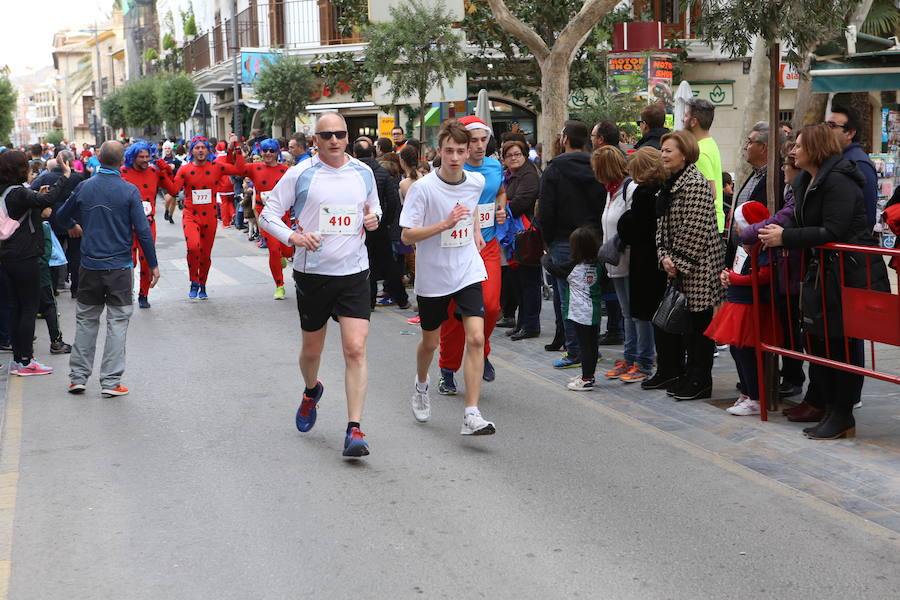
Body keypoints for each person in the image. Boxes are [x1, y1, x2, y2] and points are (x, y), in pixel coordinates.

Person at [259, 112, 382, 458]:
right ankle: (311, 390)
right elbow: (268, 215)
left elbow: (375, 210)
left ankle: (354, 428)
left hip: (355, 273)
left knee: (355, 349)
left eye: (340, 134)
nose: (334, 140)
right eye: (326, 135)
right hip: (313, 275)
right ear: (315, 140)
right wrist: (294, 236)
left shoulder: (363, 172)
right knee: (312, 351)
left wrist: (374, 219)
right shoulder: (300, 174)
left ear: (348, 136)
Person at [758, 124, 888, 440]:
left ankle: (841, 413)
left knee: (841, 344)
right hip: (822, 273)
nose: (792, 151)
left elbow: (834, 230)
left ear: (815, 148)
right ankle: (829, 407)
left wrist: (785, 237)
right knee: (822, 343)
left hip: (848, 273)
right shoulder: (808, 180)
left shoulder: (839, 179)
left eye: (799, 146)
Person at [399, 118, 495, 435]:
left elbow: (471, 210)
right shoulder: (422, 189)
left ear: (469, 153)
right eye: (449, 151)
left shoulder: (476, 182)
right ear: (439, 151)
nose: (454, 157)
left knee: (477, 338)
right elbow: (407, 236)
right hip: (434, 274)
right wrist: (444, 224)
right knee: (430, 343)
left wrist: (477, 232)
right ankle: (422, 385)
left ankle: (471, 413)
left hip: (466, 266)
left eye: (460, 151)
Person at [54, 141, 159, 396]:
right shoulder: (129, 191)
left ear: (99, 158)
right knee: (118, 322)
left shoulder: (84, 187)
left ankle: (78, 378)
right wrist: (153, 264)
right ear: (122, 160)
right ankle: (111, 382)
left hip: (90, 266)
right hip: (120, 267)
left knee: (87, 321)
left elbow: (60, 216)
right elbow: (143, 231)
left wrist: (72, 225)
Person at [436, 115, 507, 394]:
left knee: (490, 307)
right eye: (473, 141)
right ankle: (447, 369)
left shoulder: (493, 166)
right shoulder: (452, 168)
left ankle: (481, 349)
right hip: (456, 246)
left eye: (483, 140)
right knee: (454, 315)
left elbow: (499, 192)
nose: (479, 146)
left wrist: (500, 207)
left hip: (487, 245)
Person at [656, 130, 726, 401]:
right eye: (662, 150)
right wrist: (663, 255)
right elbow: (661, 224)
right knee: (687, 327)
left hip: (699, 267)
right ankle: (688, 375)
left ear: (684, 154)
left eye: (669, 150)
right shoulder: (671, 182)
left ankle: (700, 380)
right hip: (678, 265)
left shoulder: (695, 183)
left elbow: (694, 228)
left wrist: (676, 261)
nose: (663, 154)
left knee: (700, 328)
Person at [741, 141, 807, 406]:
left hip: (793, 270)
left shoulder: (798, 191)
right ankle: (787, 377)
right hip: (786, 269)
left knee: (792, 327)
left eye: (785, 164)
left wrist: (747, 232)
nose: (781, 168)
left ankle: (794, 378)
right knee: (785, 324)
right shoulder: (792, 189)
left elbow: (781, 219)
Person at [0, 150, 75, 375]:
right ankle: (26, 361)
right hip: (24, 257)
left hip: (7, 257)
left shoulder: (7, 191)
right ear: (19, 169)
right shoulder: (19, 192)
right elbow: (48, 200)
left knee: (15, 308)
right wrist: (66, 175)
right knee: (29, 308)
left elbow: (32, 202)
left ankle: (18, 360)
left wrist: (36, 194)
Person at [537, 120, 605, 368]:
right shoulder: (595, 165)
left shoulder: (554, 168)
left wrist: (547, 238)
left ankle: (575, 351)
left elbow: (546, 208)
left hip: (563, 239)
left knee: (568, 298)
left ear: (565, 139)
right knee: (590, 296)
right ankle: (590, 348)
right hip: (593, 237)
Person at [706, 201, 780, 416]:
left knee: (747, 353)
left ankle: (756, 396)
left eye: (739, 224)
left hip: (751, 305)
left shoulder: (763, 247)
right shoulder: (744, 247)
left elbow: (764, 275)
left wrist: (735, 279)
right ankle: (747, 392)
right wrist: (728, 275)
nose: (736, 229)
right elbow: (740, 270)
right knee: (738, 351)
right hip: (739, 304)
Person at [593, 146, 652, 382]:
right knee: (627, 313)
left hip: (630, 260)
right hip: (615, 262)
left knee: (638, 314)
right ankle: (630, 358)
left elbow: (632, 225)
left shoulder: (629, 189)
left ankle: (643, 361)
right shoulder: (610, 191)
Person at [616, 147, 671, 389]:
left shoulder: (644, 194)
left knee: (642, 311)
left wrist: (624, 222)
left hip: (644, 259)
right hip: (656, 258)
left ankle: (643, 361)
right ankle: (643, 359)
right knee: (648, 311)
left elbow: (634, 228)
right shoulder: (663, 189)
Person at [168, 134, 245, 299]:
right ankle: (193, 281)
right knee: (193, 247)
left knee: (205, 253)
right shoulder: (184, 169)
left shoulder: (216, 166)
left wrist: (236, 147)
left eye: (203, 147)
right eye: (197, 147)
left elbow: (239, 169)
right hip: (190, 215)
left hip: (209, 216)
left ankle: (202, 284)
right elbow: (174, 190)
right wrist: (164, 172)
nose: (200, 150)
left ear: (208, 150)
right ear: (192, 151)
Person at [226, 138, 291, 299]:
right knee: (274, 250)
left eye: (272, 150)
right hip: (266, 213)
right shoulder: (255, 168)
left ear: (277, 152)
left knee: (288, 249)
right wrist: (234, 149)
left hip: (283, 213)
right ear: (260, 152)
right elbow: (237, 169)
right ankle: (279, 286)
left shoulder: (287, 170)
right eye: (265, 150)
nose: (268, 153)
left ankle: (283, 256)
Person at [541, 227, 603, 391]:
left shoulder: (572, 266)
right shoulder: (599, 264)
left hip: (579, 313)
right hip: (594, 310)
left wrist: (545, 256)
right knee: (592, 345)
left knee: (585, 346)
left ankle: (586, 379)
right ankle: (589, 374)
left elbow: (551, 268)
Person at [119, 140, 178, 309]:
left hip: (147, 223)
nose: (145, 159)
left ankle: (143, 294)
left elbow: (173, 190)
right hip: (126, 225)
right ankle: (126, 293)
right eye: (141, 157)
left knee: (146, 260)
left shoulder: (154, 171)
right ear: (133, 157)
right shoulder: (122, 172)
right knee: (129, 260)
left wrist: (164, 167)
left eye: (148, 156)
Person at [353, 138, 408, 309]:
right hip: (379, 224)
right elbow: (392, 202)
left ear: (354, 154)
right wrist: (386, 222)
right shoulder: (383, 173)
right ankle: (402, 299)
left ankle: (369, 301)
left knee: (364, 261)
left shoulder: (352, 174)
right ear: (372, 153)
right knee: (389, 263)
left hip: (358, 226)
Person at [499, 139, 541, 340]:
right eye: (509, 155)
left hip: (527, 235)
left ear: (524, 155)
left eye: (517, 154)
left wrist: (503, 206)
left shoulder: (529, 175)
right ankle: (522, 322)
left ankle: (531, 325)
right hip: (513, 235)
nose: (513, 158)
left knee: (529, 282)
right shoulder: (508, 175)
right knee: (518, 281)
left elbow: (520, 202)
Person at [825, 105, 878, 229]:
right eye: (825, 124)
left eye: (832, 126)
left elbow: (868, 213)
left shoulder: (860, 163)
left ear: (850, 133)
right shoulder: (833, 159)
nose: (826, 130)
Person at [683, 98, 725, 233]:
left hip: (705, 227)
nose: (682, 119)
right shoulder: (710, 143)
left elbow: (710, 192)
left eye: (686, 115)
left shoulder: (699, 152)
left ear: (694, 121)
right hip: (712, 223)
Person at [161, 140, 182, 224]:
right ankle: (166, 210)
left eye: (169, 148)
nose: (167, 150)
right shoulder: (161, 160)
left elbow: (180, 171)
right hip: (165, 182)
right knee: (168, 198)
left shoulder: (175, 159)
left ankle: (170, 216)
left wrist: (174, 168)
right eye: (165, 148)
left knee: (173, 201)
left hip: (174, 182)